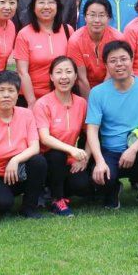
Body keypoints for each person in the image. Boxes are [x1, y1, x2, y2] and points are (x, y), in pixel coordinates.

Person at [86, 41, 138, 215]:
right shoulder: (97, 93)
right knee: (100, 178)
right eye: (113, 60)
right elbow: (92, 130)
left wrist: (133, 149)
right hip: (112, 152)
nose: (119, 64)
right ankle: (113, 189)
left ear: (132, 60)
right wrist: (100, 162)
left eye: (123, 59)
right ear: (106, 65)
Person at [0, 70, 47, 219]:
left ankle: (29, 207)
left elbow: (35, 147)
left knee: (38, 161)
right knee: (1, 205)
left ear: (18, 95)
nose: (6, 95)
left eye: (11, 90)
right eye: (1, 90)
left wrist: (15, 160)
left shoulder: (27, 115)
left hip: (18, 171)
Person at [35, 56, 91, 216]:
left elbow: (91, 133)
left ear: (75, 76)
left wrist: (85, 157)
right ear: (51, 77)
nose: (64, 77)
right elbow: (44, 138)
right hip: (46, 159)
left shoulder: (81, 103)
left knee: (82, 185)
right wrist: (72, 150)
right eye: (59, 72)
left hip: (70, 159)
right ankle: (56, 199)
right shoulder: (42, 104)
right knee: (57, 155)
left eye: (68, 72)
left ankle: (56, 191)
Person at [15, 0, 73, 107]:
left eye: (51, 2)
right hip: (32, 99)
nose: (46, 7)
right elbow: (22, 72)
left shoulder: (68, 30)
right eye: (41, 2)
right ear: (33, 7)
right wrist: (32, 102)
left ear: (58, 6)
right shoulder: (24, 34)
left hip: (62, 98)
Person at [66, 0, 123, 96]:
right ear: (85, 17)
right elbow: (81, 79)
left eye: (101, 15)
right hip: (83, 89)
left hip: (112, 86)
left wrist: (102, 100)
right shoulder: (75, 41)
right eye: (92, 15)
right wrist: (91, 103)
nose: (97, 20)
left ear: (109, 18)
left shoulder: (117, 38)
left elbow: (111, 74)